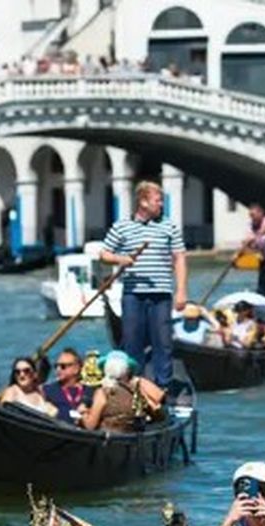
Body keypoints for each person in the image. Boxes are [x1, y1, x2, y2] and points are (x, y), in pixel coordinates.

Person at [99, 181, 189, 388]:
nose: (161, 205)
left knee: (163, 343)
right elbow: (104, 254)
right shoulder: (122, 226)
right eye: (158, 201)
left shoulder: (169, 226)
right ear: (143, 202)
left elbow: (180, 258)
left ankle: (163, 388)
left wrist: (181, 291)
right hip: (133, 294)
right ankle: (133, 387)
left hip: (162, 294)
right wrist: (122, 259)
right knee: (132, 343)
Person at [81, 351, 165, 433]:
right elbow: (159, 415)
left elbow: (90, 425)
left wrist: (83, 412)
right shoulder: (137, 390)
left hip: (110, 441)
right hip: (132, 440)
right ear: (128, 370)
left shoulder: (102, 393)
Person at [42, 347, 94, 424]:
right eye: (56, 366)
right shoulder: (48, 390)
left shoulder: (89, 391)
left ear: (76, 369)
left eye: (63, 366)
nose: (58, 369)